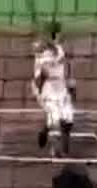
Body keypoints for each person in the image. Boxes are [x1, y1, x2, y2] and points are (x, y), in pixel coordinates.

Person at [32, 21, 76, 157]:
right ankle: (54, 145)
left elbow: (64, 67)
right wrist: (39, 94)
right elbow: (40, 78)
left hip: (61, 88)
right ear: (55, 34)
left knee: (68, 122)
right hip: (47, 90)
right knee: (55, 120)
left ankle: (65, 151)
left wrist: (70, 86)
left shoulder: (59, 50)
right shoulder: (42, 55)